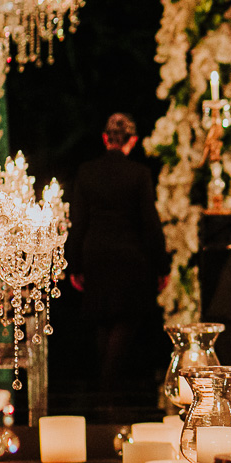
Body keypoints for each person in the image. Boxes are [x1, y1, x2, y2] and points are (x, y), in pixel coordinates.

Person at [68, 113, 168, 392]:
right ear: (132, 141)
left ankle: (106, 392)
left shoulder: (87, 171)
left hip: (96, 255)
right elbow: (150, 222)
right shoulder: (139, 173)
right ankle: (108, 390)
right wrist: (162, 265)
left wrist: (74, 264)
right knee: (126, 320)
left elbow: (78, 222)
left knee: (103, 322)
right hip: (130, 257)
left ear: (105, 138)